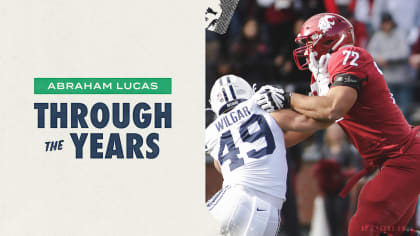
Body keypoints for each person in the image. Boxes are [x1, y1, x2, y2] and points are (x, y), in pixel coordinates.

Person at [257, 13, 420, 236]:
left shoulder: (348, 55)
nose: (306, 50)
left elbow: (333, 108)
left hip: (402, 156)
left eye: (309, 42)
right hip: (396, 158)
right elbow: (310, 121)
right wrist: (266, 144)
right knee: (387, 231)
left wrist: (287, 98)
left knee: (361, 229)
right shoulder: (325, 77)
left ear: (329, 38)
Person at [205, 74, 328, 236]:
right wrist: (330, 102)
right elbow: (313, 121)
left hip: (234, 199)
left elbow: (220, 165)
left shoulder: (212, 133)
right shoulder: (263, 111)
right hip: (268, 213)